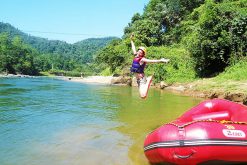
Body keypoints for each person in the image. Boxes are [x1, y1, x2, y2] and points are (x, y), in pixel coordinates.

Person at [130, 34, 170, 99]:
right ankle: (148, 80)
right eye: (138, 51)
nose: (138, 52)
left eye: (141, 52)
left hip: (142, 79)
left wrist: (161, 60)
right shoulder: (135, 56)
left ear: (142, 54)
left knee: (143, 96)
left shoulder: (142, 59)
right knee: (142, 96)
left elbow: (152, 61)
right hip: (138, 80)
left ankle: (148, 80)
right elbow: (133, 47)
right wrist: (131, 39)